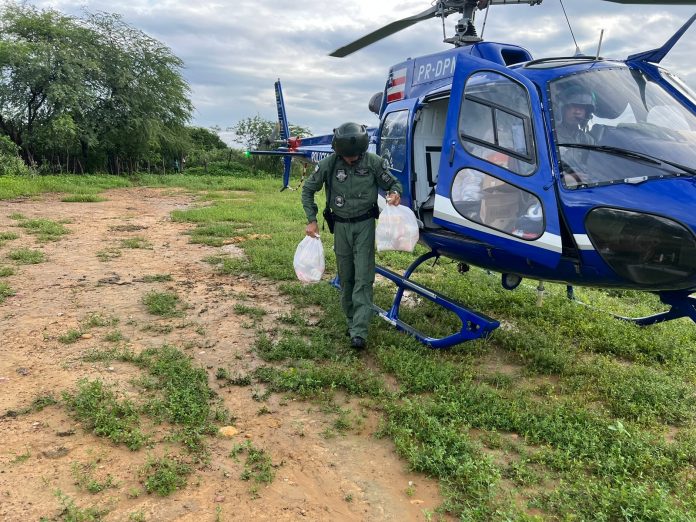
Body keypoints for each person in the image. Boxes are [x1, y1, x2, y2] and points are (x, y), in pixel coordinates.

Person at [301, 122, 403, 350]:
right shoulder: (329, 163)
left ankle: (359, 331)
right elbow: (308, 189)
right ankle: (351, 320)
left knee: (363, 277)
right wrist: (311, 219)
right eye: (346, 156)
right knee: (346, 276)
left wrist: (395, 193)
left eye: (354, 156)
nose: (350, 160)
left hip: (365, 225)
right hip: (340, 227)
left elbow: (393, 183)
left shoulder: (373, 162)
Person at [555, 84, 596, 184]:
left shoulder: (588, 140)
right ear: (563, 109)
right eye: (573, 106)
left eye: (581, 108)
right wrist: (564, 179)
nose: (577, 112)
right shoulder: (550, 137)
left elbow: (596, 170)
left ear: (586, 114)